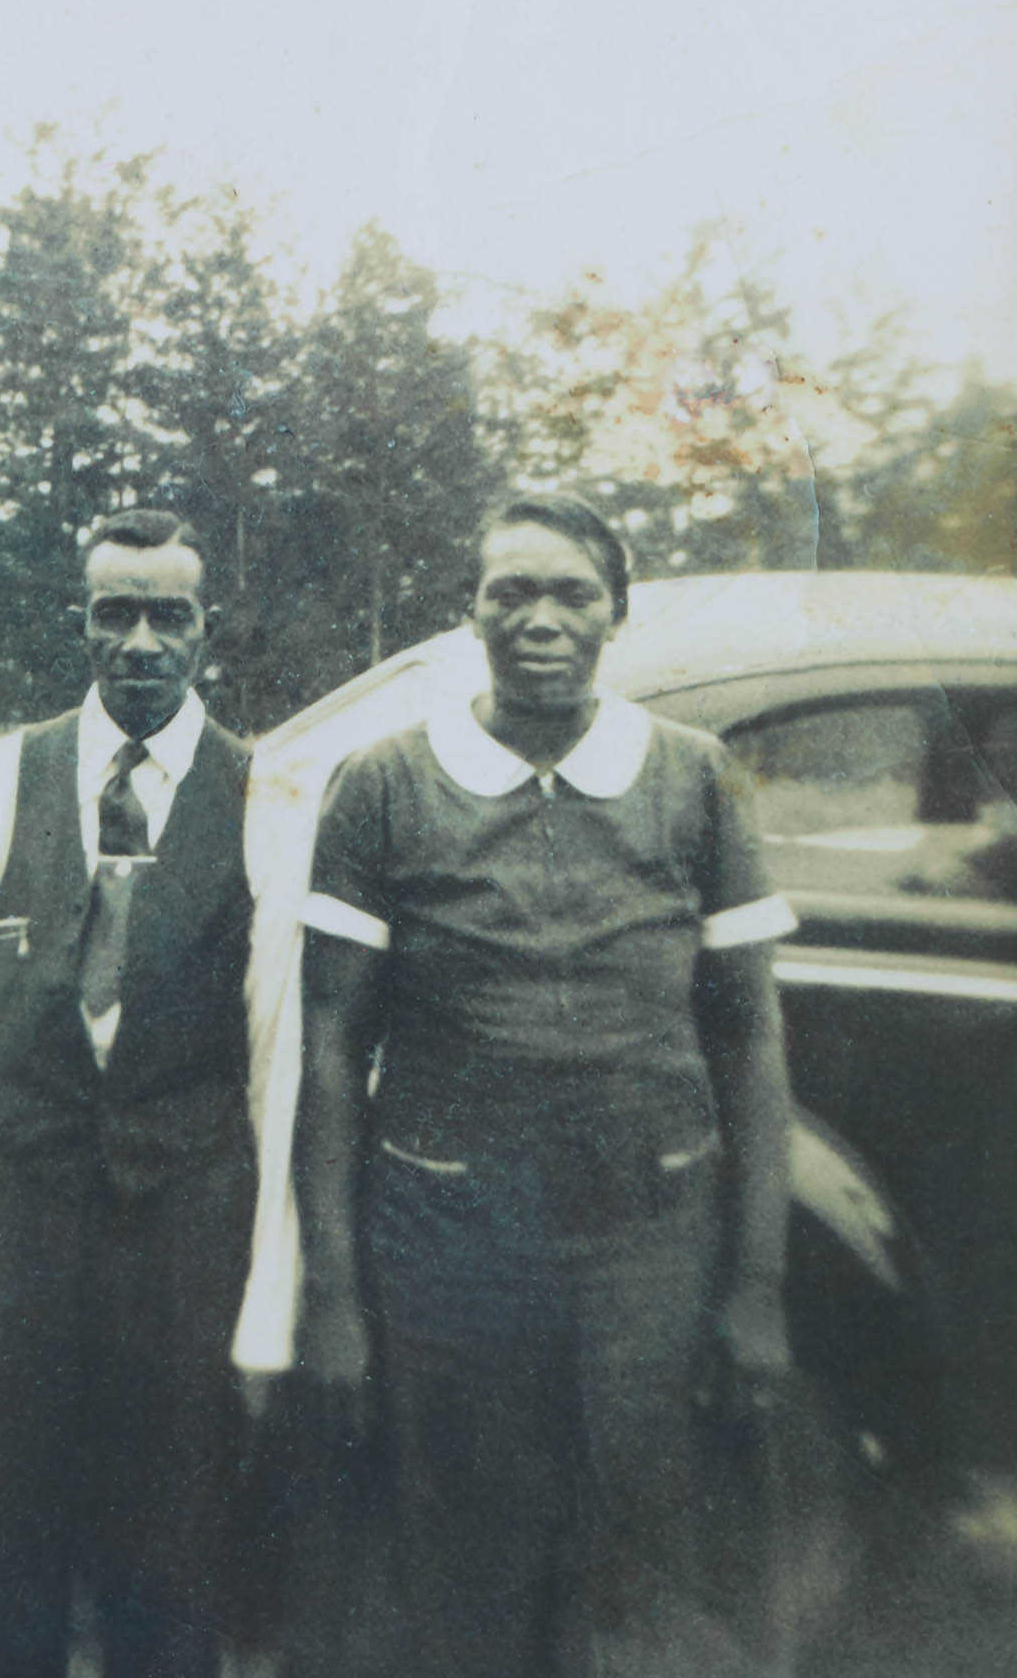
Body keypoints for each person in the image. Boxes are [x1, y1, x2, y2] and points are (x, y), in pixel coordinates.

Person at [292, 493, 798, 1676]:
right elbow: (326, 1040)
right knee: (458, 1574)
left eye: (570, 591)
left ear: (616, 613)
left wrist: (758, 1285)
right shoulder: (382, 785)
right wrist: (332, 1294)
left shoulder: (696, 780)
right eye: (508, 591)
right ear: (469, 613)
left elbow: (751, 1038)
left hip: (646, 1246)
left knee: (633, 1569)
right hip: (445, 1247)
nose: (539, 618)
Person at [0, 509, 266, 1678]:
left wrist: (270, 1315)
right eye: (117, 612)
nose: (142, 640)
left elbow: (278, 1061)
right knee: (8, 1555)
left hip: (182, 1234)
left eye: (171, 615)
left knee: (168, 1558)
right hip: (19, 1225)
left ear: (209, 631)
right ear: (84, 623)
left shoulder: (271, 798)